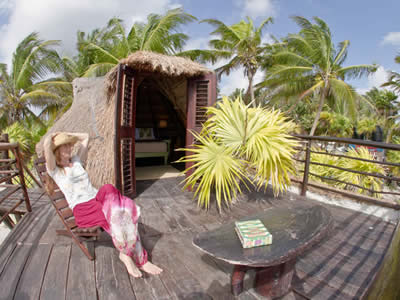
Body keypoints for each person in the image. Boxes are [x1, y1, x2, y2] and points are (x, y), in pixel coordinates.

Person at [44, 131, 162, 278]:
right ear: (56, 151)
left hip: (97, 200)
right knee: (122, 211)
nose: (69, 148)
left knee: (109, 189)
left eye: (69, 144)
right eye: (65, 146)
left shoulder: (76, 160)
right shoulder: (54, 170)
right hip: (83, 209)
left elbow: (86, 136)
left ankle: (126, 254)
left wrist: (67, 134)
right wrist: (53, 136)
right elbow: (46, 146)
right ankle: (139, 259)